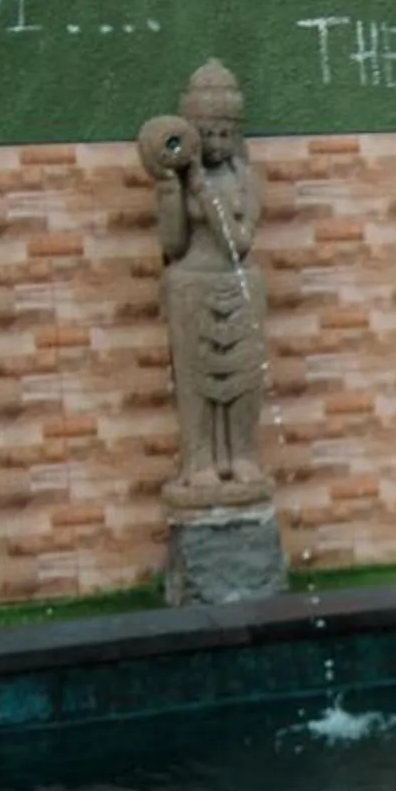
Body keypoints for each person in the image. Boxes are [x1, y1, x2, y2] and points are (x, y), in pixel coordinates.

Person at [143, 59, 270, 501]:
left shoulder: (246, 180)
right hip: (190, 282)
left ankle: (242, 455)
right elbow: (173, 243)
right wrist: (168, 187)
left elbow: (238, 241)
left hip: (237, 283)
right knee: (194, 382)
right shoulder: (184, 183)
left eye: (224, 134)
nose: (216, 144)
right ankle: (199, 462)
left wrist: (201, 187)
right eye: (207, 134)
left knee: (244, 378)